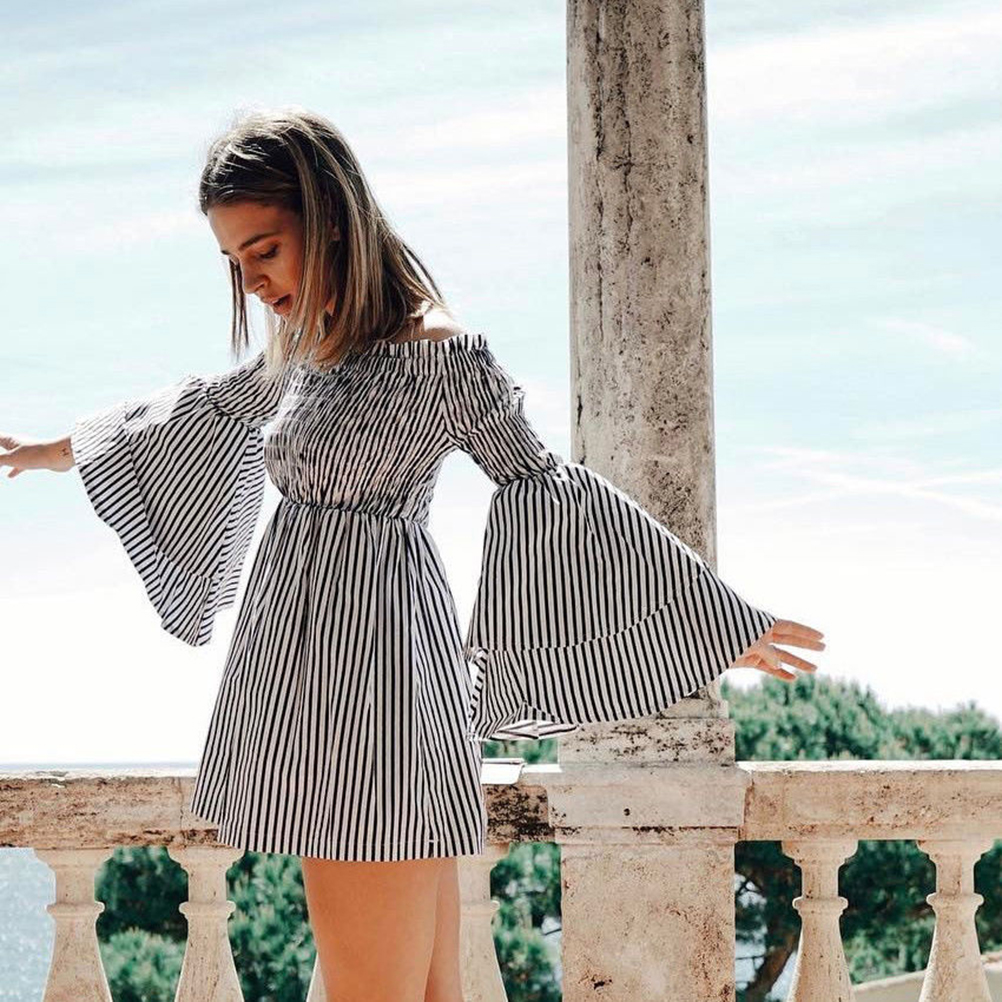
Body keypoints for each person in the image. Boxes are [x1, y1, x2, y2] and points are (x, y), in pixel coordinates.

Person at [0, 106, 825, 1002]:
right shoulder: (313, 351)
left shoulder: (443, 356)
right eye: (234, 262)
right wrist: (48, 452)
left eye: (264, 250)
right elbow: (196, 410)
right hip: (323, 682)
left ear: (331, 218)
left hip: (372, 690)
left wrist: (702, 618)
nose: (252, 281)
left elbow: (547, 488)